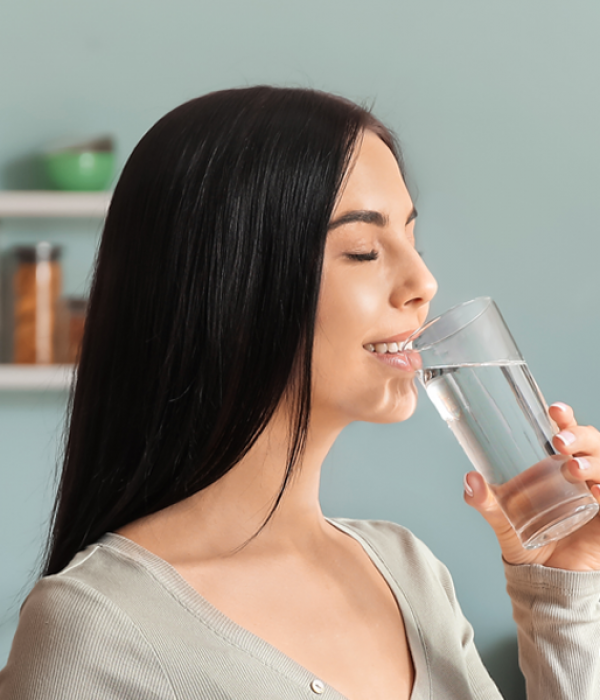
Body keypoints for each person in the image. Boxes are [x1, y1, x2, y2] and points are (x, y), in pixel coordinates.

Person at [1, 86, 599, 700]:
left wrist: (560, 592)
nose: (424, 281)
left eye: (412, 241)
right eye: (363, 251)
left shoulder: (407, 571)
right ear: (230, 286)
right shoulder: (97, 627)